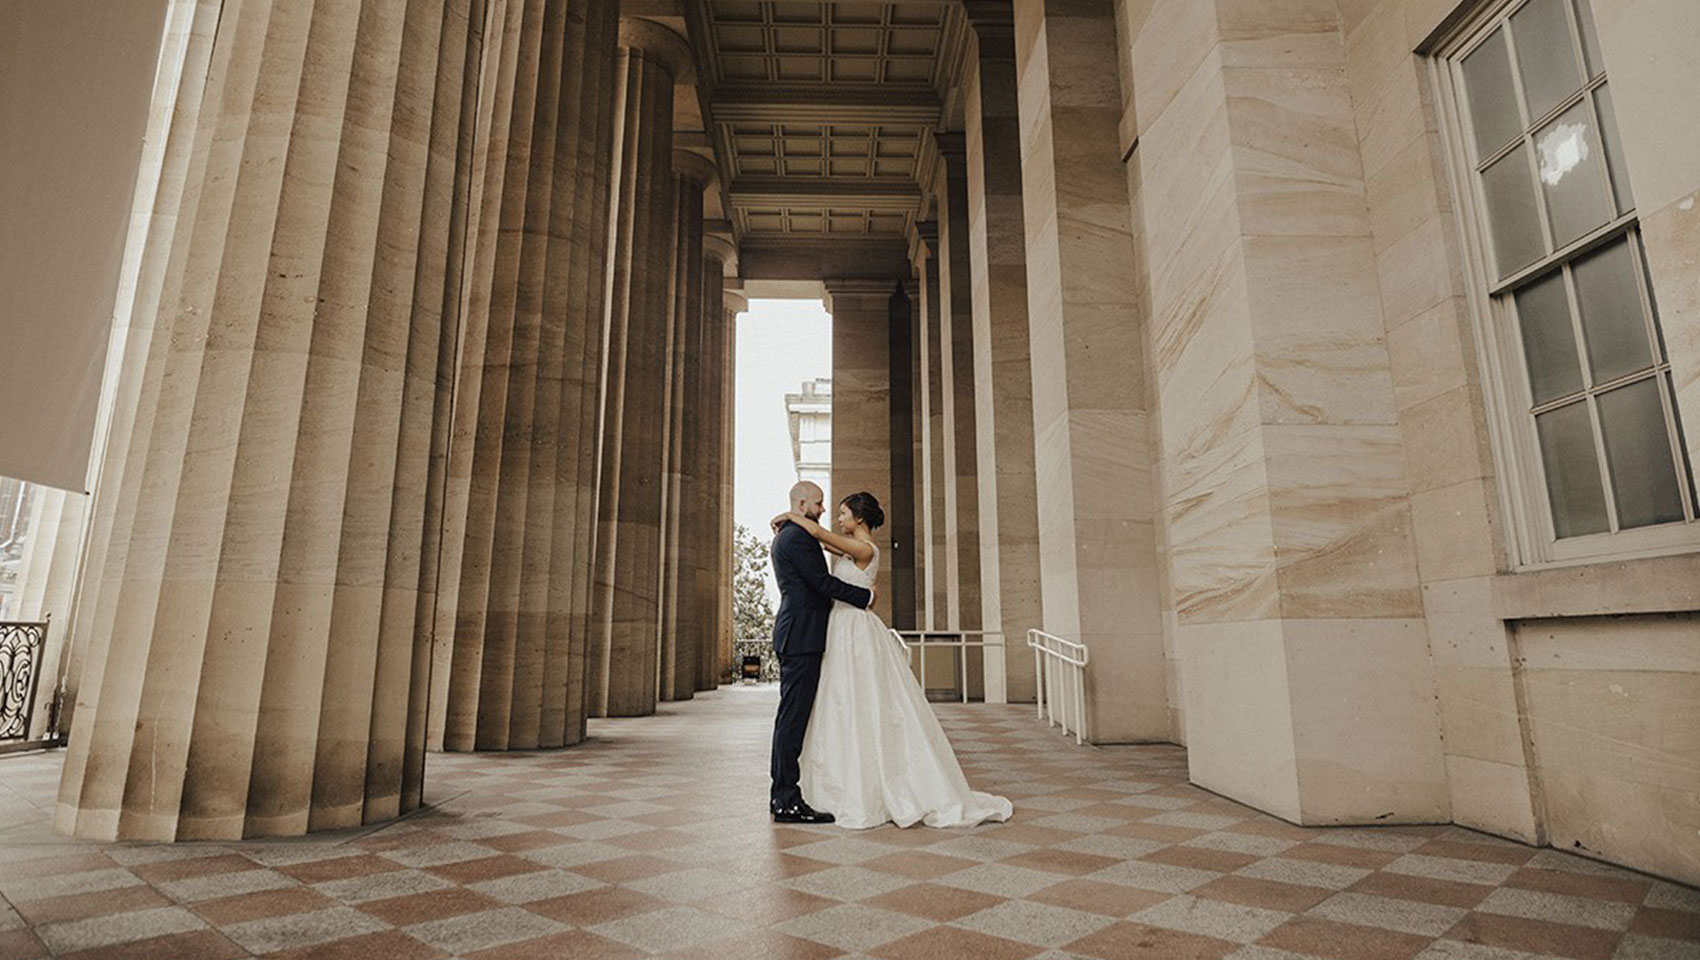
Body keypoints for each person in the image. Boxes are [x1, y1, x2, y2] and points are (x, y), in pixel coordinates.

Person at [771, 491, 1012, 829]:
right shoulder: (843, 545)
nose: (834, 517)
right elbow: (825, 550)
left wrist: (792, 517)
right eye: (827, 508)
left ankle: (856, 783)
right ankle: (814, 786)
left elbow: (822, 538)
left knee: (860, 701)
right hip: (837, 629)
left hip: (853, 629)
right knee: (840, 702)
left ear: (859, 518)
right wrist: (791, 518)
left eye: (842, 513)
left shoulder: (865, 548)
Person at [768, 481, 876, 824]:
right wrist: (866, 598)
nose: (824, 510)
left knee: (793, 718)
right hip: (801, 636)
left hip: (803, 633)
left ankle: (784, 795)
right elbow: (822, 583)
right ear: (802, 504)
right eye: (819, 503)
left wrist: (789, 517)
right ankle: (785, 799)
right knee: (792, 720)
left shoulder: (793, 533)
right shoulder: (797, 536)